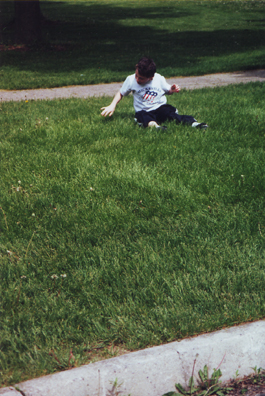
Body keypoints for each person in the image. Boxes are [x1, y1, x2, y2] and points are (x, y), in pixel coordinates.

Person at [101, 57, 208, 130]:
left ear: (151, 77)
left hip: (159, 108)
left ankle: (195, 123)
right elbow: (121, 93)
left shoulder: (158, 79)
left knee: (172, 115)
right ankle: (156, 127)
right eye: (136, 75)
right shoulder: (130, 80)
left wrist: (172, 90)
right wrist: (112, 105)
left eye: (141, 78)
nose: (137, 79)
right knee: (143, 116)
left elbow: (168, 91)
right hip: (144, 110)